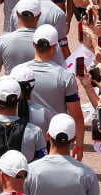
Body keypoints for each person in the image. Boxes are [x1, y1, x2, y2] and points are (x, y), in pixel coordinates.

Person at [23, 24, 84, 157]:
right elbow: (77, 115)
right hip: (55, 140)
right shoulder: (66, 77)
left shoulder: (20, 72)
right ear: (55, 47)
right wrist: (79, 146)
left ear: (33, 44)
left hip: (25, 137)